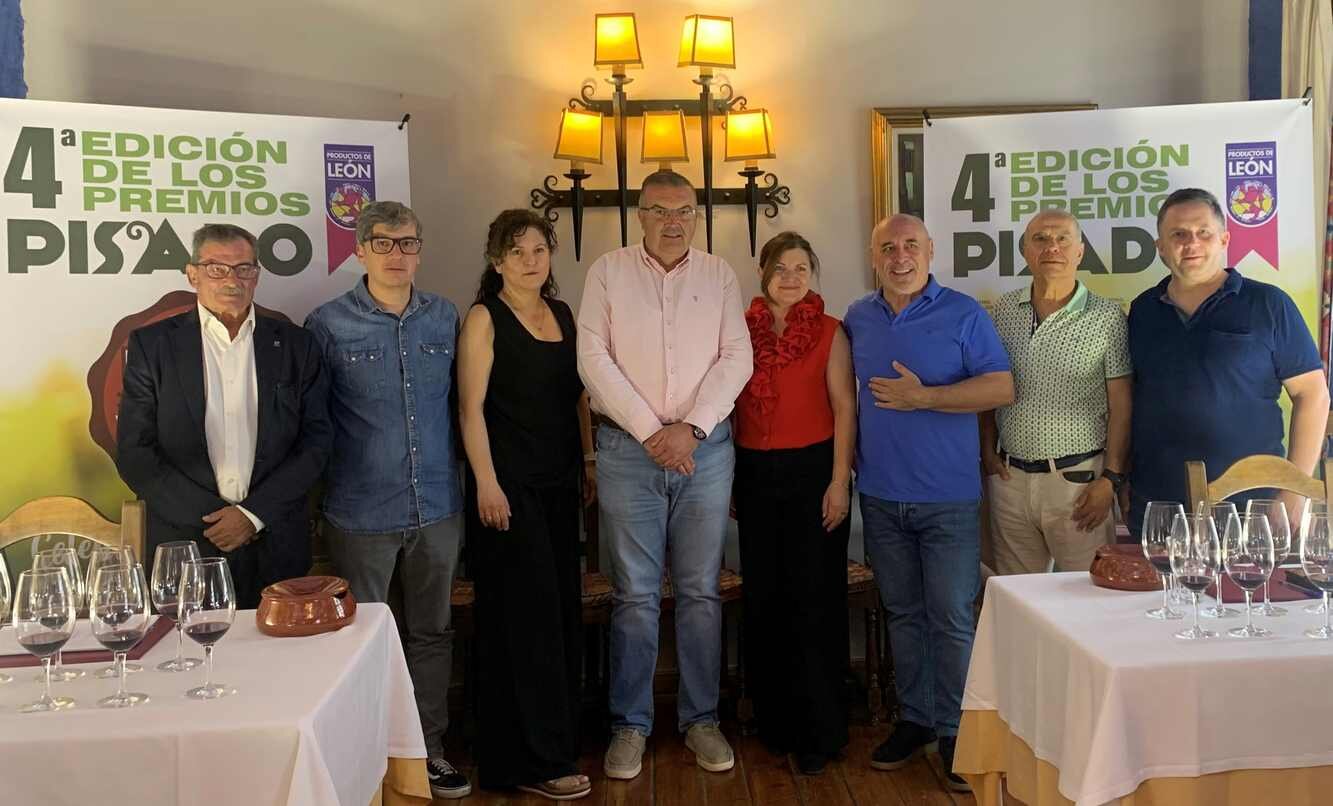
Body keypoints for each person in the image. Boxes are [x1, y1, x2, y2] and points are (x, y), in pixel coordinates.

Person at [577, 170, 753, 780]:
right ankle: (631, 724)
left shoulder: (719, 274)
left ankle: (701, 719)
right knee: (634, 595)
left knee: (702, 591)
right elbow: (592, 357)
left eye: (684, 212)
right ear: (639, 214)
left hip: (705, 450)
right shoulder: (607, 270)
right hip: (629, 452)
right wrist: (652, 432)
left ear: (697, 217)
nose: (672, 222)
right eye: (659, 211)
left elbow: (738, 356)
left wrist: (691, 430)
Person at [303, 201, 471, 800]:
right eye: (384, 243)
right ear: (360, 250)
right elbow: (314, 423)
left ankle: (426, 754)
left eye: (408, 243)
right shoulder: (328, 324)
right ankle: (370, 758)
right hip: (360, 512)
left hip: (438, 506)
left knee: (432, 633)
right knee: (366, 638)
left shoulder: (446, 317)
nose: (398, 255)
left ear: (420, 249)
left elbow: (464, 410)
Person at [844, 213, 1013, 793]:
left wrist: (926, 397)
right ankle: (915, 720)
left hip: (948, 499)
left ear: (931, 252)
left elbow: (1000, 387)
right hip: (881, 497)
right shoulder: (858, 318)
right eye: (887, 246)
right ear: (873, 256)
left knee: (951, 618)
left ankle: (956, 731)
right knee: (904, 614)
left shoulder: (964, 313)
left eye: (910, 245)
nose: (899, 256)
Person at [116, 223, 331, 610]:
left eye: (243, 268)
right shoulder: (152, 346)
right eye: (217, 268)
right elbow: (136, 452)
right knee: (189, 661)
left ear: (257, 275)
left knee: (285, 666)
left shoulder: (297, 345)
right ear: (192, 273)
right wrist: (217, 520)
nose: (232, 279)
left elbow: (316, 442)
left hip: (276, 541)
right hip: (187, 546)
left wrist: (251, 515)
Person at [458, 209, 594, 801]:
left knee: (559, 613)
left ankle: (555, 743)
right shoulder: (484, 319)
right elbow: (470, 411)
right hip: (506, 490)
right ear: (496, 261)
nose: (532, 260)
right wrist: (487, 483)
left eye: (540, 249)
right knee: (524, 622)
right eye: (518, 252)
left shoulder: (562, 313)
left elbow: (579, 398)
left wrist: (588, 462)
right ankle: (528, 763)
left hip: (561, 484)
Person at [1128, 187, 1329, 535]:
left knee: (1247, 591)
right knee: (1159, 592)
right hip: (1158, 505)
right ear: (1160, 247)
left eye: (1203, 232)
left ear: (1224, 239)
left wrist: (1293, 491)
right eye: (1178, 234)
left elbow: (1313, 395)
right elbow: (1130, 398)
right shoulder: (1142, 311)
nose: (1191, 243)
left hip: (1252, 508)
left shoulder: (1269, 304)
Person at [732, 231, 856, 775]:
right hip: (753, 474)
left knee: (814, 600)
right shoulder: (738, 329)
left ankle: (819, 730)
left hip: (814, 472)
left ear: (812, 273)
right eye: (780, 267)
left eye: (801, 267)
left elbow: (845, 409)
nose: (790, 277)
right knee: (765, 599)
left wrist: (839, 481)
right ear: (763, 273)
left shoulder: (831, 332)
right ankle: (775, 721)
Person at [980, 210, 1132, 574]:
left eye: (1063, 238)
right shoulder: (1002, 311)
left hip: (1079, 483)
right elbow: (987, 385)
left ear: (1080, 251)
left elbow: (1122, 406)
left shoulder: (1107, 316)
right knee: (1020, 601)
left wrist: (1110, 480)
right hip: (1010, 481)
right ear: (1025, 251)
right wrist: (986, 450)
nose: (1052, 247)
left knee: (1087, 601)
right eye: (1041, 239)